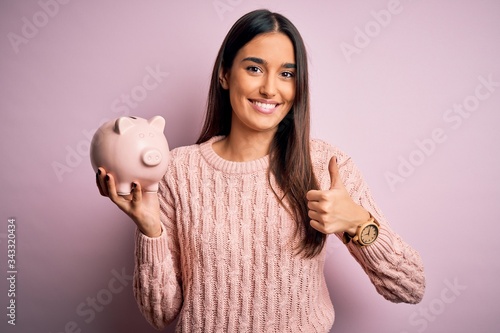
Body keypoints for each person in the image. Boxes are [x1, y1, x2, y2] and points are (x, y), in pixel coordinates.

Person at [96, 9, 425, 332]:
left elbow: (409, 286)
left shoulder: (326, 166)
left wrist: (356, 220)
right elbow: (160, 314)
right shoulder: (178, 171)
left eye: (286, 74)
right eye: (255, 68)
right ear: (225, 74)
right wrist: (149, 228)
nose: (270, 88)